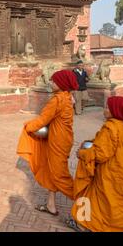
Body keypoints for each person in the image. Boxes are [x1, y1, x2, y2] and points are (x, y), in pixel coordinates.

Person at [67, 96, 123, 232]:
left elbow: (100, 154)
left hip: (110, 173)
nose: (104, 110)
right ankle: (89, 223)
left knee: (100, 199)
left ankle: (91, 224)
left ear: (115, 111)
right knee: (116, 203)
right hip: (121, 171)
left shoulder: (111, 127)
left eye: (107, 108)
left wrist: (81, 153)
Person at [17, 70, 79, 216]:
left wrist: (27, 126)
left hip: (58, 141)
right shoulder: (67, 97)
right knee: (52, 171)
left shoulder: (58, 100)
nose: (51, 83)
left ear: (62, 84)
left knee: (60, 176)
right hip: (62, 139)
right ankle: (51, 205)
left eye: (53, 81)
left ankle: (87, 203)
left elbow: (42, 120)